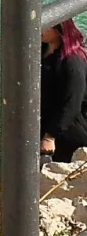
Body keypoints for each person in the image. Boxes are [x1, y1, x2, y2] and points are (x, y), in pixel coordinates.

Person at [42, 19, 87, 162]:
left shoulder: (72, 62)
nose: (39, 30)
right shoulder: (42, 49)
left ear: (59, 30)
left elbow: (71, 104)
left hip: (67, 131)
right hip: (45, 121)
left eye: (45, 26)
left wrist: (50, 136)